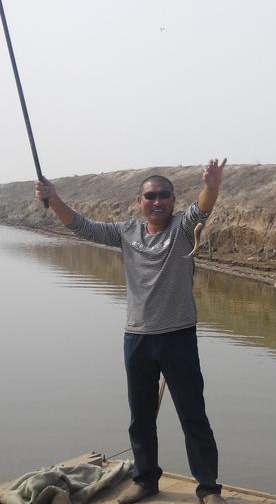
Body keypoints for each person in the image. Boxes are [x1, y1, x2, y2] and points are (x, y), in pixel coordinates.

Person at [36, 159, 228, 504]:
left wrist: (212, 185)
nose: (157, 201)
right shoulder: (126, 233)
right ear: (140, 203)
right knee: (140, 418)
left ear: (173, 199)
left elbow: (203, 208)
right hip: (137, 338)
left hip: (178, 337)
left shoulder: (183, 229)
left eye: (164, 195)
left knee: (194, 417)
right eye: (150, 196)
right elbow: (81, 226)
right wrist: (54, 197)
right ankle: (145, 479)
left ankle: (209, 489)